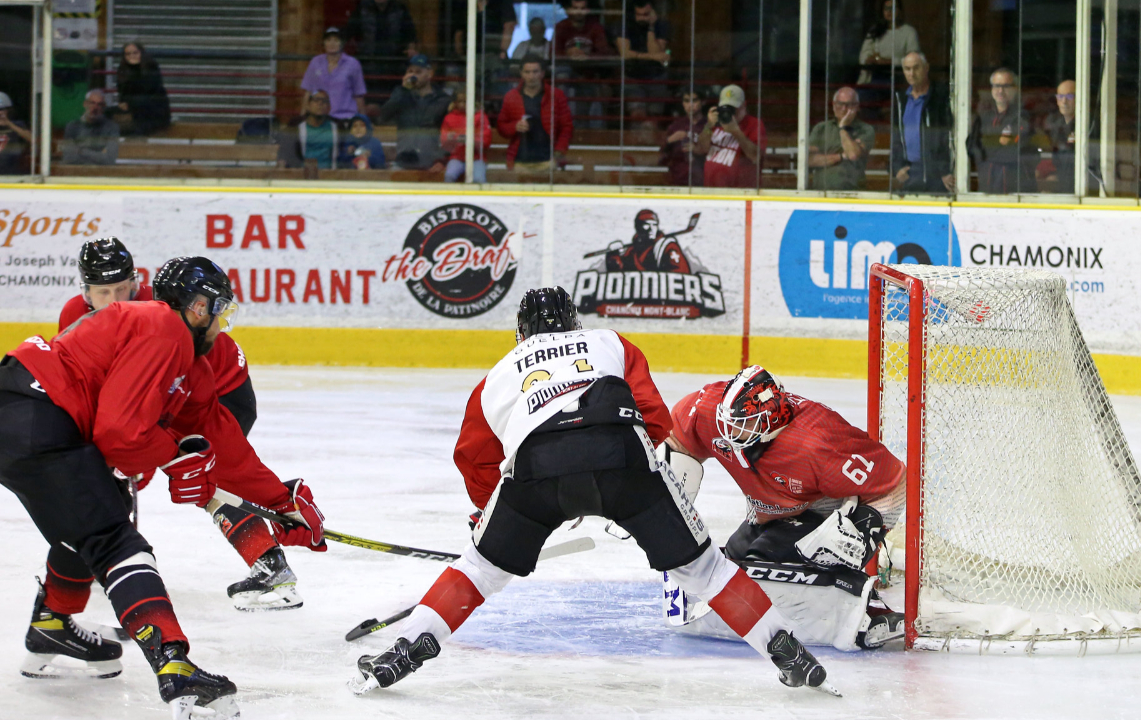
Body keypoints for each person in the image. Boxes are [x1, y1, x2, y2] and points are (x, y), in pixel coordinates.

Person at [349, 288, 839, 698]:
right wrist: (620, 479)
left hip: (535, 473)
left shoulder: (495, 378)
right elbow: (655, 420)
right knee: (704, 570)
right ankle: (786, 648)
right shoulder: (609, 342)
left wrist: (489, 512)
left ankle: (407, 649)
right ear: (575, 323)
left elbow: (474, 459)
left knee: (477, 571)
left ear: (520, 335)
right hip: (622, 458)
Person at [0, 257, 317, 717]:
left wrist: (282, 503)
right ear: (196, 307)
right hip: (37, 413)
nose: (222, 322)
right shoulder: (161, 327)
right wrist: (173, 454)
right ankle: (175, 667)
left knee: (94, 515)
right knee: (115, 542)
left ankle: (52, 623)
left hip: (32, 416)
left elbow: (222, 442)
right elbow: (121, 434)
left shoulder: (191, 366)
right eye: (218, 309)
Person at [55, 238, 324, 614]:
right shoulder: (83, 314)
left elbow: (180, 402)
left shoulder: (165, 311)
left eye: (123, 288)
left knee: (202, 477)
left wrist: (141, 463)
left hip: (220, 392)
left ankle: (270, 567)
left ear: (137, 280)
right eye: (104, 291)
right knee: (168, 471)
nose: (117, 298)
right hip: (177, 396)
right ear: (85, 291)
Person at [663, 365, 908, 650]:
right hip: (774, 514)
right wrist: (663, 501)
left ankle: (871, 611)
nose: (730, 432)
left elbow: (895, 480)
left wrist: (863, 531)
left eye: (745, 424)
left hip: (825, 514)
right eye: (730, 422)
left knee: (765, 557)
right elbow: (676, 441)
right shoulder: (707, 410)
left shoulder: (818, 441)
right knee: (736, 559)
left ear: (772, 420)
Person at [890, 52, 954, 194]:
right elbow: (896, 138)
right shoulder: (901, 99)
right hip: (910, 173)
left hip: (937, 174)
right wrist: (897, 168)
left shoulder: (940, 96)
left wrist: (944, 171)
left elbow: (945, 135)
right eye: (907, 69)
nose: (911, 73)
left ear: (926, 68)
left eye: (916, 68)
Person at [967, 67, 1036, 194]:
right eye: (996, 86)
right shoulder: (983, 117)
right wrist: (996, 146)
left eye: (1006, 86)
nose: (1000, 91)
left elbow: (1014, 151)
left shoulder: (1023, 116)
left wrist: (987, 150)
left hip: (1016, 190)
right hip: (986, 187)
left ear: (1015, 89)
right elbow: (971, 147)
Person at [497, 58, 572, 174]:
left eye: (535, 72)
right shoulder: (511, 97)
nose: (531, 76)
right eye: (527, 72)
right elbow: (501, 126)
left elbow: (566, 127)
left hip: (548, 161)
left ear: (542, 73)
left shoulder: (556, 95)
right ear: (521, 73)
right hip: (520, 161)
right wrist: (515, 127)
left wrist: (559, 151)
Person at [379, 54, 453, 170]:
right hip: (403, 162)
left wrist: (442, 161)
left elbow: (451, 134)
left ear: (430, 74)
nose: (413, 76)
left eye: (418, 72)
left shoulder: (443, 100)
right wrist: (403, 90)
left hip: (432, 164)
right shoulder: (401, 94)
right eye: (410, 71)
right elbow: (383, 117)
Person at [554, 0, 615, 130]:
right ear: (569, 10)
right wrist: (568, 53)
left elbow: (604, 52)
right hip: (568, 78)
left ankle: (595, 137)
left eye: (582, 8)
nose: (579, 12)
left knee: (596, 100)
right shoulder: (561, 27)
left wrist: (587, 56)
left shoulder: (595, 27)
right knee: (562, 76)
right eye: (576, 8)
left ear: (587, 10)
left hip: (590, 76)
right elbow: (552, 54)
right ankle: (564, 128)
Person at [344, 0, 419, 104]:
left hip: (394, 65)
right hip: (368, 65)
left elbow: (410, 34)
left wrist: (411, 49)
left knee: (392, 101)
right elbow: (348, 32)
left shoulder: (400, 9)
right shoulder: (362, 8)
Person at [695, 84, 765, 189]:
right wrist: (708, 126)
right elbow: (701, 148)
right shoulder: (717, 121)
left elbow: (755, 156)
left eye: (733, 108)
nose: (730, 113)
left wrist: (736, 131)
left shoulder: (754, 124)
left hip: (740, 191)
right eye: (726, 108)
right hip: (711, 189)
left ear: (744, 105)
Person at [615, 1, 671, 127]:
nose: (642, 18)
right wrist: (653, 57)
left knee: (653, 119)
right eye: (639, 15)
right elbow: (625, 54)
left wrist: (651, 28)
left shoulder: (661, 25)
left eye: (646, 15)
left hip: (656, 77)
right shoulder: (624, 25)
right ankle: (635, 145)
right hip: (633, 76)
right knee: (637, 115)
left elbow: (656, 51)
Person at [808, 87, 875, 191]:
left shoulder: (865, 129)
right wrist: (841, 156)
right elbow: (809, 160)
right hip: (821, 193)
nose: (844, 109)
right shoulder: (821, 128)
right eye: (840, 104)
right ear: (834, 106)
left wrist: (843, 128)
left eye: (848, 105)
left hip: (853, 194)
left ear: (857, 107)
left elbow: (852, 155)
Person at [302, 27, 368, 121]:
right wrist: (303, 117)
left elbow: (358, 95)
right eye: (328, 40)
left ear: (342, 43)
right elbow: (308, 92)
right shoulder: (315, 62)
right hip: (320, 119)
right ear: (324, 43)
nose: (332, 44)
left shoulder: (353, 64)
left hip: (345, 118)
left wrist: (364, 120)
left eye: (336, 40)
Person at [110, 42, 171, 136]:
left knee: (139, 105)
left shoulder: (151, 66)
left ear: (141, 53)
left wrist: (135, 68)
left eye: (135, 53)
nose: (132, 56)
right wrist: (122, 102)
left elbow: (149, 89)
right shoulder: (123, 69)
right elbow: (123, 91)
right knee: (108, 112)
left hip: (153, 108)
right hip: (133, 107)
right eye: (128, 54)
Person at [605, 209, 691, 272]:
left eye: (654, 225)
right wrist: (613, 255)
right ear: (638, 227)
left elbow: (681, 274)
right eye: (646, 225)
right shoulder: (631, 250)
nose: (651, 229)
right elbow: (618, 274)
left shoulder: (666, 246)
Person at [277, 90, 341, 169]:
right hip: (302, 177)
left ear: (329, 107)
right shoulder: (296, 128)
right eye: (316, 100)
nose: (320, 103)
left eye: (324, 101)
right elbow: (284, 154)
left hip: (331, 177)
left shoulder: (337, 127)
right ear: (308, 105)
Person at [440, 88, 490, 182]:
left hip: (476, 158)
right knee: (449, 176)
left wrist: (470, 140)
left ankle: (480, 197)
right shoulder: (449, 117)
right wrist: (450, 139)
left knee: (478, 179)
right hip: (457, 157)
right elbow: (443, 142)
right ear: (455, 102)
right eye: (459, 101)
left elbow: (486, 140)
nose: (462, 104)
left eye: (466, 101)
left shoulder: (480, 117)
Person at [660, 89, 706, 186]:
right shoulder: (675, 126)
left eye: (694, 100)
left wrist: (700, 149)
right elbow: (661, 158)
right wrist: (669, 141)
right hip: (679, 181)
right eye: (686, 101)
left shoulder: (709, 126)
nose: (690, 105)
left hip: (703, 180)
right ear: (682, 104)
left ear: (703, 102)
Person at [859, 0, 921, 71]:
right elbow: (863, 56)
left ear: (899, 10)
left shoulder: (909, 32)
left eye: (893, 8)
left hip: (898, 75)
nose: (889, 11)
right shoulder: (874, 31)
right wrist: (871, 60)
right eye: (886, 8)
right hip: (873, 75)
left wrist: (889, 62)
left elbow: (913, 59)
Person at [62, 90, 120, 166]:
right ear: (85, 104)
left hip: (102, 174)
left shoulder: (111, 128)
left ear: (103, 108)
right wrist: (99, 155)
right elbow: (68, 158)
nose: (95, 107)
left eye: (99, 104)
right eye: (92, 103)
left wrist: (81, 151)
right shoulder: (72, 126)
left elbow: (109, 159)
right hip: (77, 173)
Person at [1044, 78, 1076, 194]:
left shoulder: (1087, 125)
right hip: (1061, 186)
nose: (1064, 102)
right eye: (1060, 97)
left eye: (1069, 97)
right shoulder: (1055, 125)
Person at [0, 91, 33, 175]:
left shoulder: (18, 125)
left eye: (2, 109)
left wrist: (9, 123)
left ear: (8, 110)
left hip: (13, 169)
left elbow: (32, 139)